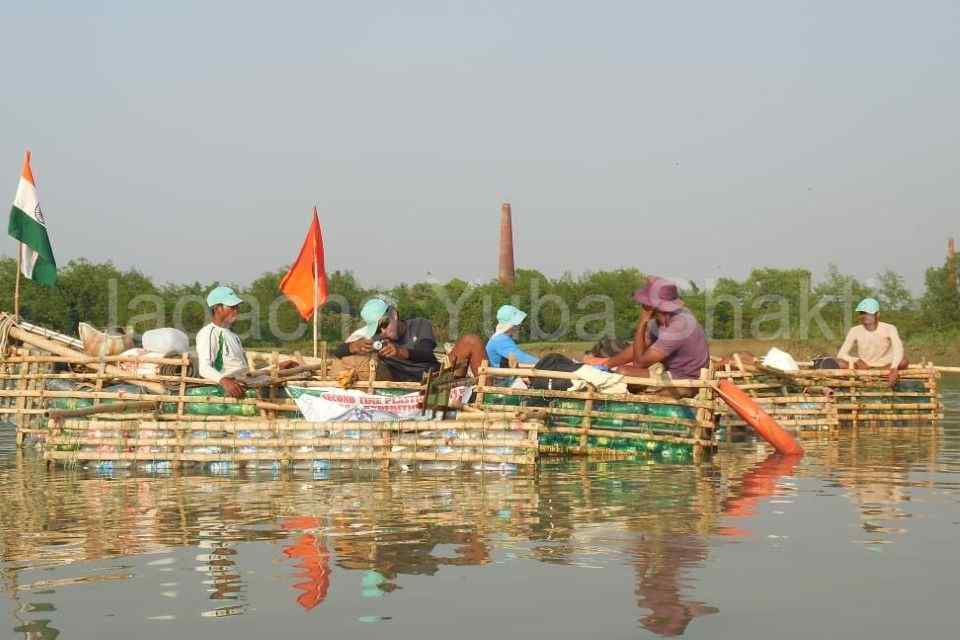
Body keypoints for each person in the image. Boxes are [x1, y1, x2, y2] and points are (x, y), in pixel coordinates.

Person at [586, 277, 709, 397]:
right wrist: (606, 365)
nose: (642, 304)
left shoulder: (677, 327)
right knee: (619, 372)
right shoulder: (663, 319)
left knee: (623, 373)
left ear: (652, 306)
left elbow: (639, 363)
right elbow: (641, 345)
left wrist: (642, 321)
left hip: (685, 379)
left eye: (645, 302)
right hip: (672, 372)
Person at [196, 286, 296, 398]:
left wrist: (275, 368)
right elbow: (204, 368)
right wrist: (225, 381)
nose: (235, 311)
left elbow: (244, 373)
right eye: (231, 307)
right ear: (216, 308)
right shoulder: (208, 333)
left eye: (236, 307)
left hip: (244, 385)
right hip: (227, 392)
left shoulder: (234, 337)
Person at [837, 298, 907, 387]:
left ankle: (881, 374)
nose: (865, 316)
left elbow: (898, 349)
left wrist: (894, 368)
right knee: (839, 363)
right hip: (864, 366)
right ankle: (869, 375)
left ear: (877, 315)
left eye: (869, 313)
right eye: (862, 313)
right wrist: (857, 360)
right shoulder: (854, 330)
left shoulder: (889, 328)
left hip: (885, 365)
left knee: (903, 361)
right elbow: (841, 354)